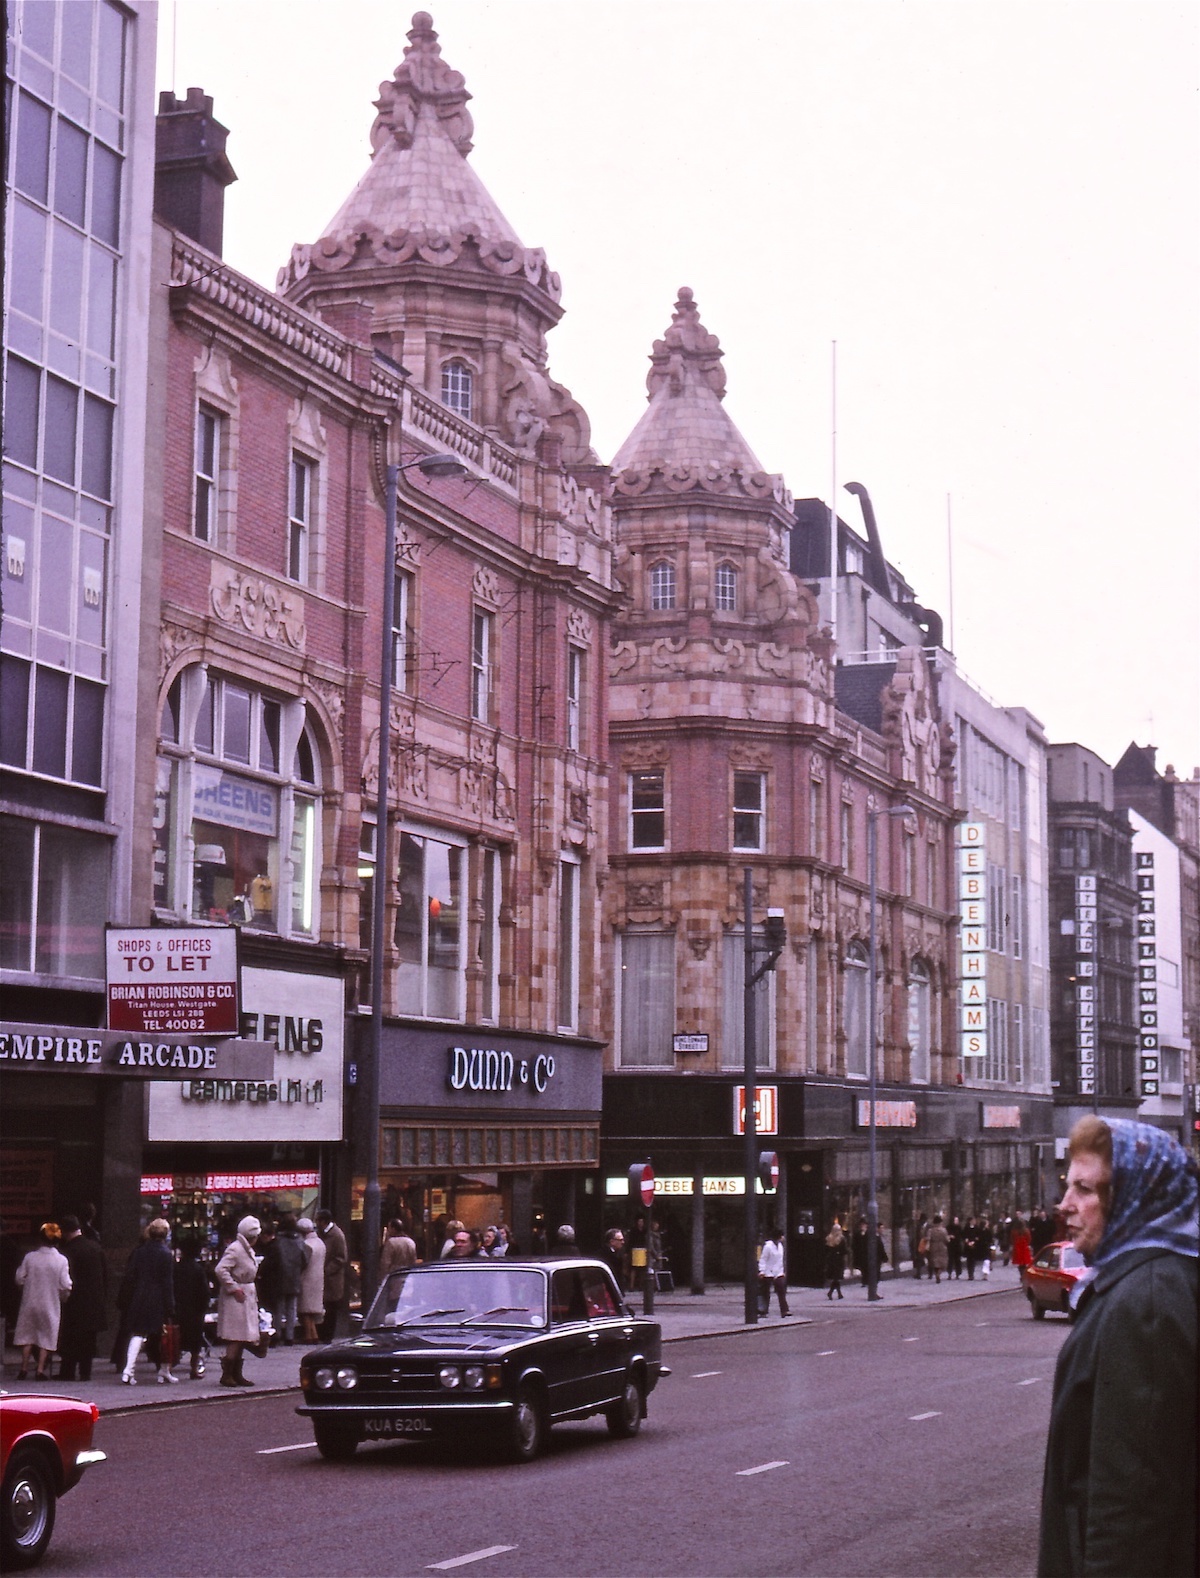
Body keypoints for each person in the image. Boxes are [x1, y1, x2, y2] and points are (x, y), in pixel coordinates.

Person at [1037, 1116, 1197, 1578]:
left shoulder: (1146, 1301)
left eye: (1086, 1190)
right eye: (1068, 1186)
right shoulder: (1144, 1282)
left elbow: (1131, 1501)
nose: (1064, 1205)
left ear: (1136, 1196)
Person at [121, 1218, 177, 1385]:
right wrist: (170, 1304)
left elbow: (131, 1275)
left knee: (138, 1333)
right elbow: (168, 1282)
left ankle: (128, 1370)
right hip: (158, 1298)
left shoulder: (139, 1251)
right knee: (166, 1335)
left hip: (140, 1295)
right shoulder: (166, 1254)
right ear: (165, 1234)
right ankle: (165, 1371)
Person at [14, 1223, 72, 1381]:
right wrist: (63, 1297)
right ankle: (40, 1370)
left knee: (27, 1335)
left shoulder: (30, 1257)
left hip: (30, 1301)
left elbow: (19, 1278)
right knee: (46, 1336)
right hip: (50, 1303)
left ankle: (23, 1368)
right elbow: (66, 1284)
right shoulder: (61, 1260)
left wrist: (25, 1287)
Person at [57, 1214, 107, 1382]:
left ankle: (68, 1371)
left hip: (75, 1301)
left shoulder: (68, 1251)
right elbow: (105, 1275)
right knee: (88, 1340)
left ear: (65, 1232)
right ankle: (86, 1372)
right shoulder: (95, 1247)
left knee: (71, 1338)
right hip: (94, 1301)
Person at [214, 1214, 262, 1387]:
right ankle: (227, 1374)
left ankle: (236, 1373)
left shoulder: (246, 1248)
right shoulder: (235, 1249)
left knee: (243, 1336)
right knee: (236, 1336)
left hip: (245, 1295)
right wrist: (233, 1288)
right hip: (237, 1298)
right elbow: (221, 1269)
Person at [174, 1236, 212, 1379]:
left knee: (177, 1338)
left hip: (178, 1308)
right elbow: (204, 1292)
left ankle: (169, 1365)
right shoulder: (198, 1269)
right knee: (195, 1342)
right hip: (195, 1310)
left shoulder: (176, 1268)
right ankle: (194, 1369)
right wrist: (204, 1306)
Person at [270, 1213, 309, 1344]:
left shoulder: (278, 1241)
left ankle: (277, 1334)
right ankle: (290, 1336)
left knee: (278, 1308)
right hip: (294, 1277)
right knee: (291, 1307)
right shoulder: (299, 1241)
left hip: (280, 1277)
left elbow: (273, 1260)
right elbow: (305, 1259)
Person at [315, 1209, 348, 1342]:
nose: (316, 1223)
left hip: (332, 1279)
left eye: (318, 1220)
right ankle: (322, 1334)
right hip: (323, 1278)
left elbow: (341, 1258)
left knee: (331, 1308)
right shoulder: (322, 1234)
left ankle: (328, 1336)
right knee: (324, 1307)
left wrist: (326, 1270)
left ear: (323, 1221)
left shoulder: (337, 1235)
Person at [297, 1217, 326, 1341]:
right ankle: (314, 1334)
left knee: (305, 1310)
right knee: (312, 1310)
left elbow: (302, 1263)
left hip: (306, 1279)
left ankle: (308, 1335)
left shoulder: (306, 1245)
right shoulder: (320, 1242)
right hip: (318, 1279)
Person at [757, 1227, 789, 1317]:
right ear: (778, 1237)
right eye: (782, 1236)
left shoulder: (780, 1246)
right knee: (765, 1292)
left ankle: (784, 1310)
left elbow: (780, 1260)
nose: (783, 1238)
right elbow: (763, 1259)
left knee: (781, 1291)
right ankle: (763, 1310)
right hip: (767, 1272)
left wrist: (782, 1271)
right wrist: (761, 1271)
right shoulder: (768, 1247)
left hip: (778, 1272)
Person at [824, 1218, 846, 1300]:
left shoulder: (828, 1239)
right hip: (839, 1260)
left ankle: (839, 1294)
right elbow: (844, 1250)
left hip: (831, 1260)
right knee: (837, 1278)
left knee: (836, 1278)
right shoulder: (841, 1239)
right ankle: (831, 1292)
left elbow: (826, 1250)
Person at [926, 1213, 950, 1285]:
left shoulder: (930, 1230)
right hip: (942, 1246)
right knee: (942, 1262)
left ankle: (936, 1272)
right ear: (940, 1222)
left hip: (933, 1246)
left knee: (935, 1261)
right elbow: (947, 1240)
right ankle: (939, 1273)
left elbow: (928, 1239)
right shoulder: (943, 1230)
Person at [602, 1227, 628, 1292]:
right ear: (612, 1241)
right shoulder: (604, 1255)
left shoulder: (618, 1253)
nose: (623, 1242)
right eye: (620, 1240)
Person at [1010, 1213, 1033, 1278]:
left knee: (1020, 1263)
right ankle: (1023, 1275)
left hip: (1017, 1247)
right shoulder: (1026, 1231)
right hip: (1024, 1247)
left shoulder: (1014, 1231)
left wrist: (1014, 1244)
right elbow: (1029, 1239)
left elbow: (1012, 1239)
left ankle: (1022, 1274)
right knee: (1024, 1263)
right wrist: (1027, 1244)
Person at [963, 1216, 982, 1280]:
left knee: (973, 1260)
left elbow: (978, 1236)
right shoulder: (966, 1228)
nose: (974, 1222)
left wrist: (974, 1241)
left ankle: (972, 1273)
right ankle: (969, 1274)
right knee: (969, 1260)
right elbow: (964, 1235)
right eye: (973, 1220)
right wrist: (967, 1241)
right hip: (968, 1246)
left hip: (974, 1246)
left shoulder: (977, 1228)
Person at [912, 1214, 930, 1279]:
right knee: (919, 1259)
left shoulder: (929, 1226)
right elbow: (916, 1236)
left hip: (927, 1244)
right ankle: (918, 1273)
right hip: (920, 1244)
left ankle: (930, 1274)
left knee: (929, 1259)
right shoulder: (918, 1226)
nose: (921, 1221)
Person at [947, 1215, 964, 1280]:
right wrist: (949, 1236)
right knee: (950, 1260)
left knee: (957, 1260)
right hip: (950, 1246)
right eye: (955, 1220)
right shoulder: (948, 1227)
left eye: (957, 1220)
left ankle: (958, 1274)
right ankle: (949, 1273)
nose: (956, 1221)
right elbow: (946, 1234)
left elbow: (961, 1235)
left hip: (957, 1246)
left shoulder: (959, 1228)